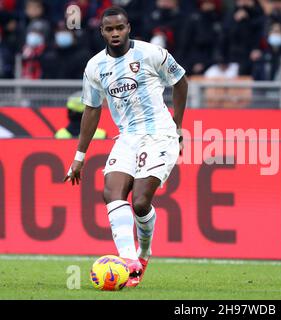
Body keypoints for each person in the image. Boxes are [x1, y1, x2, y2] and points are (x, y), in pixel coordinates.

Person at [64, 6, 188, 287]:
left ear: (128, 27)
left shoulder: (150, 53)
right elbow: (92, 110)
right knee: (111, 193)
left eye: (120, 28)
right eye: (109, 29)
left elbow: (180, 81)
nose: (115, 33)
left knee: (141, 202)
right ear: (102, 32)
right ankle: (129, 261)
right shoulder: (95, 67)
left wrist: (177, 125)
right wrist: (79, 157)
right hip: (127, 137)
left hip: (159, 134)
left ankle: (144, 253)